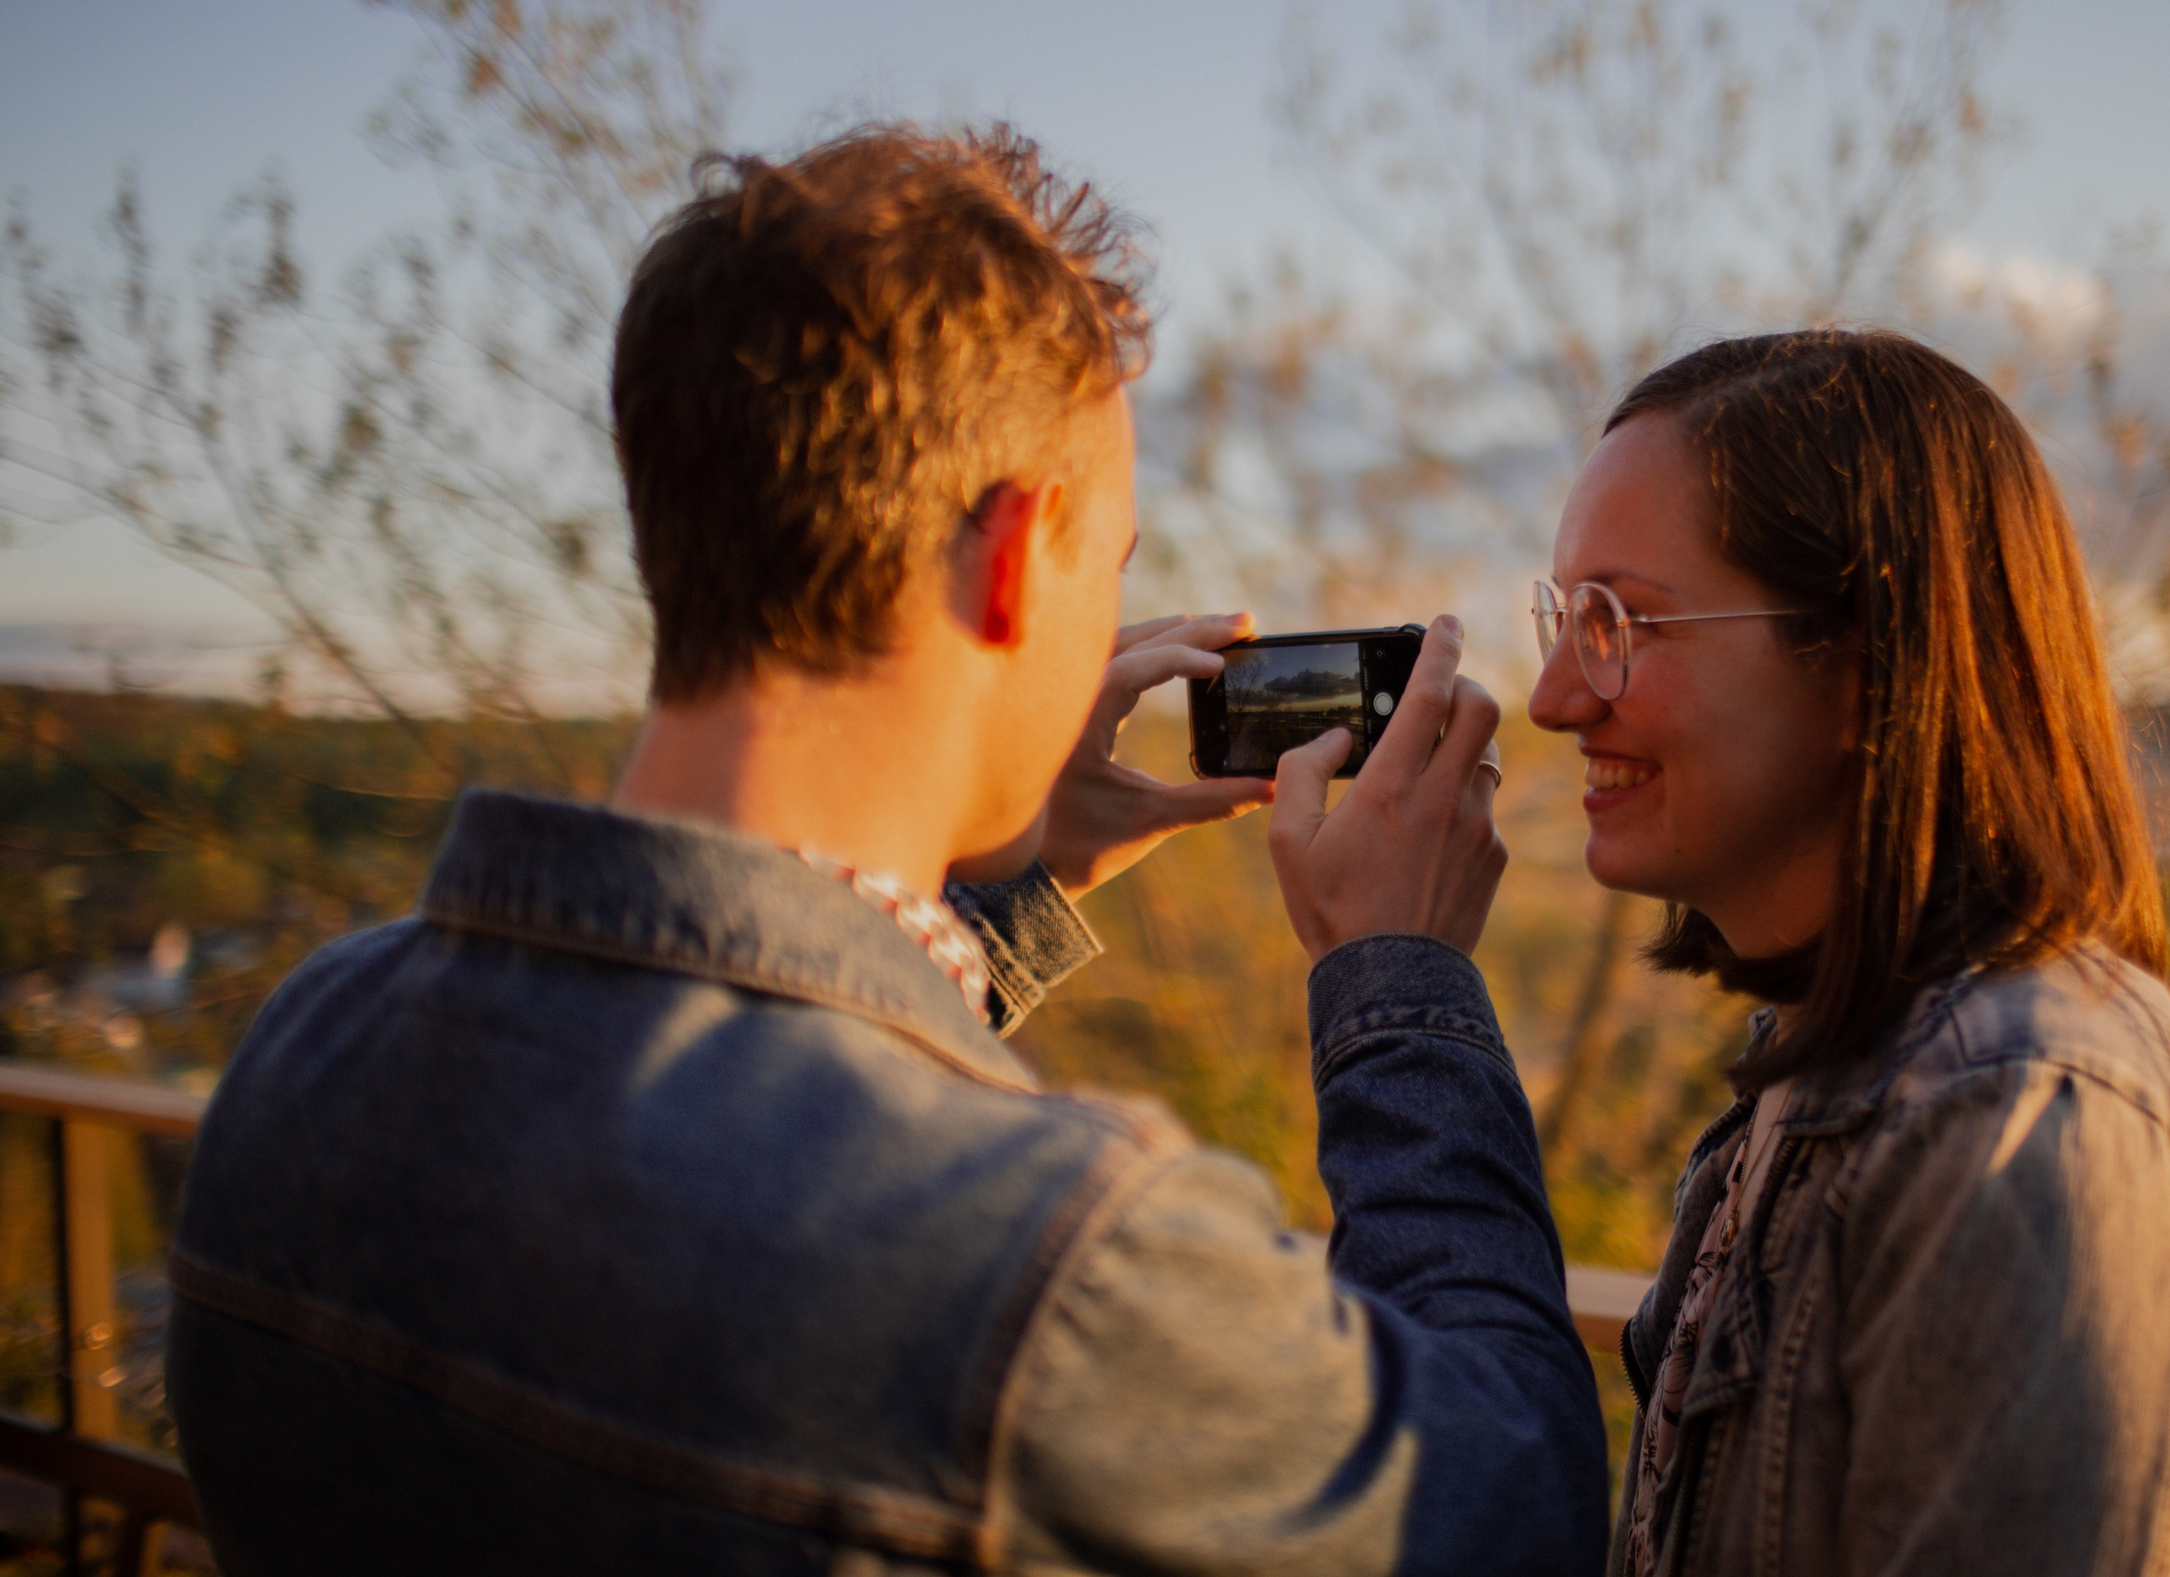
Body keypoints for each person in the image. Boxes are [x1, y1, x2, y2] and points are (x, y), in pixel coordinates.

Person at [166, 125, 1607, 1575]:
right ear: (1013, 554)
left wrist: (1015, 893)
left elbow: (735, 1071)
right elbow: (1514, 1504)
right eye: (1106, 563)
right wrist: (1399, 981)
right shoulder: (1055, 1258)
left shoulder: (304, 1048)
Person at [1528, 331, 2170, 1576]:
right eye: (1564, 617)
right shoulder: (1825, 1088)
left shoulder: (2022, 1134)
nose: (1553, 698)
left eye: (1619, 622)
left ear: (1867, 662)